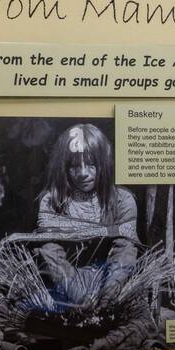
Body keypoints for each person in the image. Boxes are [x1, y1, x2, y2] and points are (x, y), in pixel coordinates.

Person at [33, 123, 139, 306]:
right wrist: (79, 297)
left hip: (108, 284)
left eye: (91, 164)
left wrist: (107, 296)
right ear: (63, 168)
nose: (83, 173)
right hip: (63, 288)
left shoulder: (123, 200)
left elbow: (124, 252)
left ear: (104, 164)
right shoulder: (52, 201)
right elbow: (51, 254)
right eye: (74, 166)